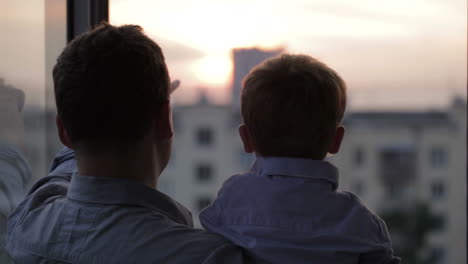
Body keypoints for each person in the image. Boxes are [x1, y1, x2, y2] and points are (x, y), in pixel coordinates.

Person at [5, 24, 249, 263]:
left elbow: (59, 177)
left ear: (63, 132)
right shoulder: (208, 256)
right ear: (164, 120)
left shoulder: (28, 225)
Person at [200, 54, 401, 264]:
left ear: (246, 138)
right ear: (337, 140)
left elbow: (209, 246)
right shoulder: (358, 219)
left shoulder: (235, 197)